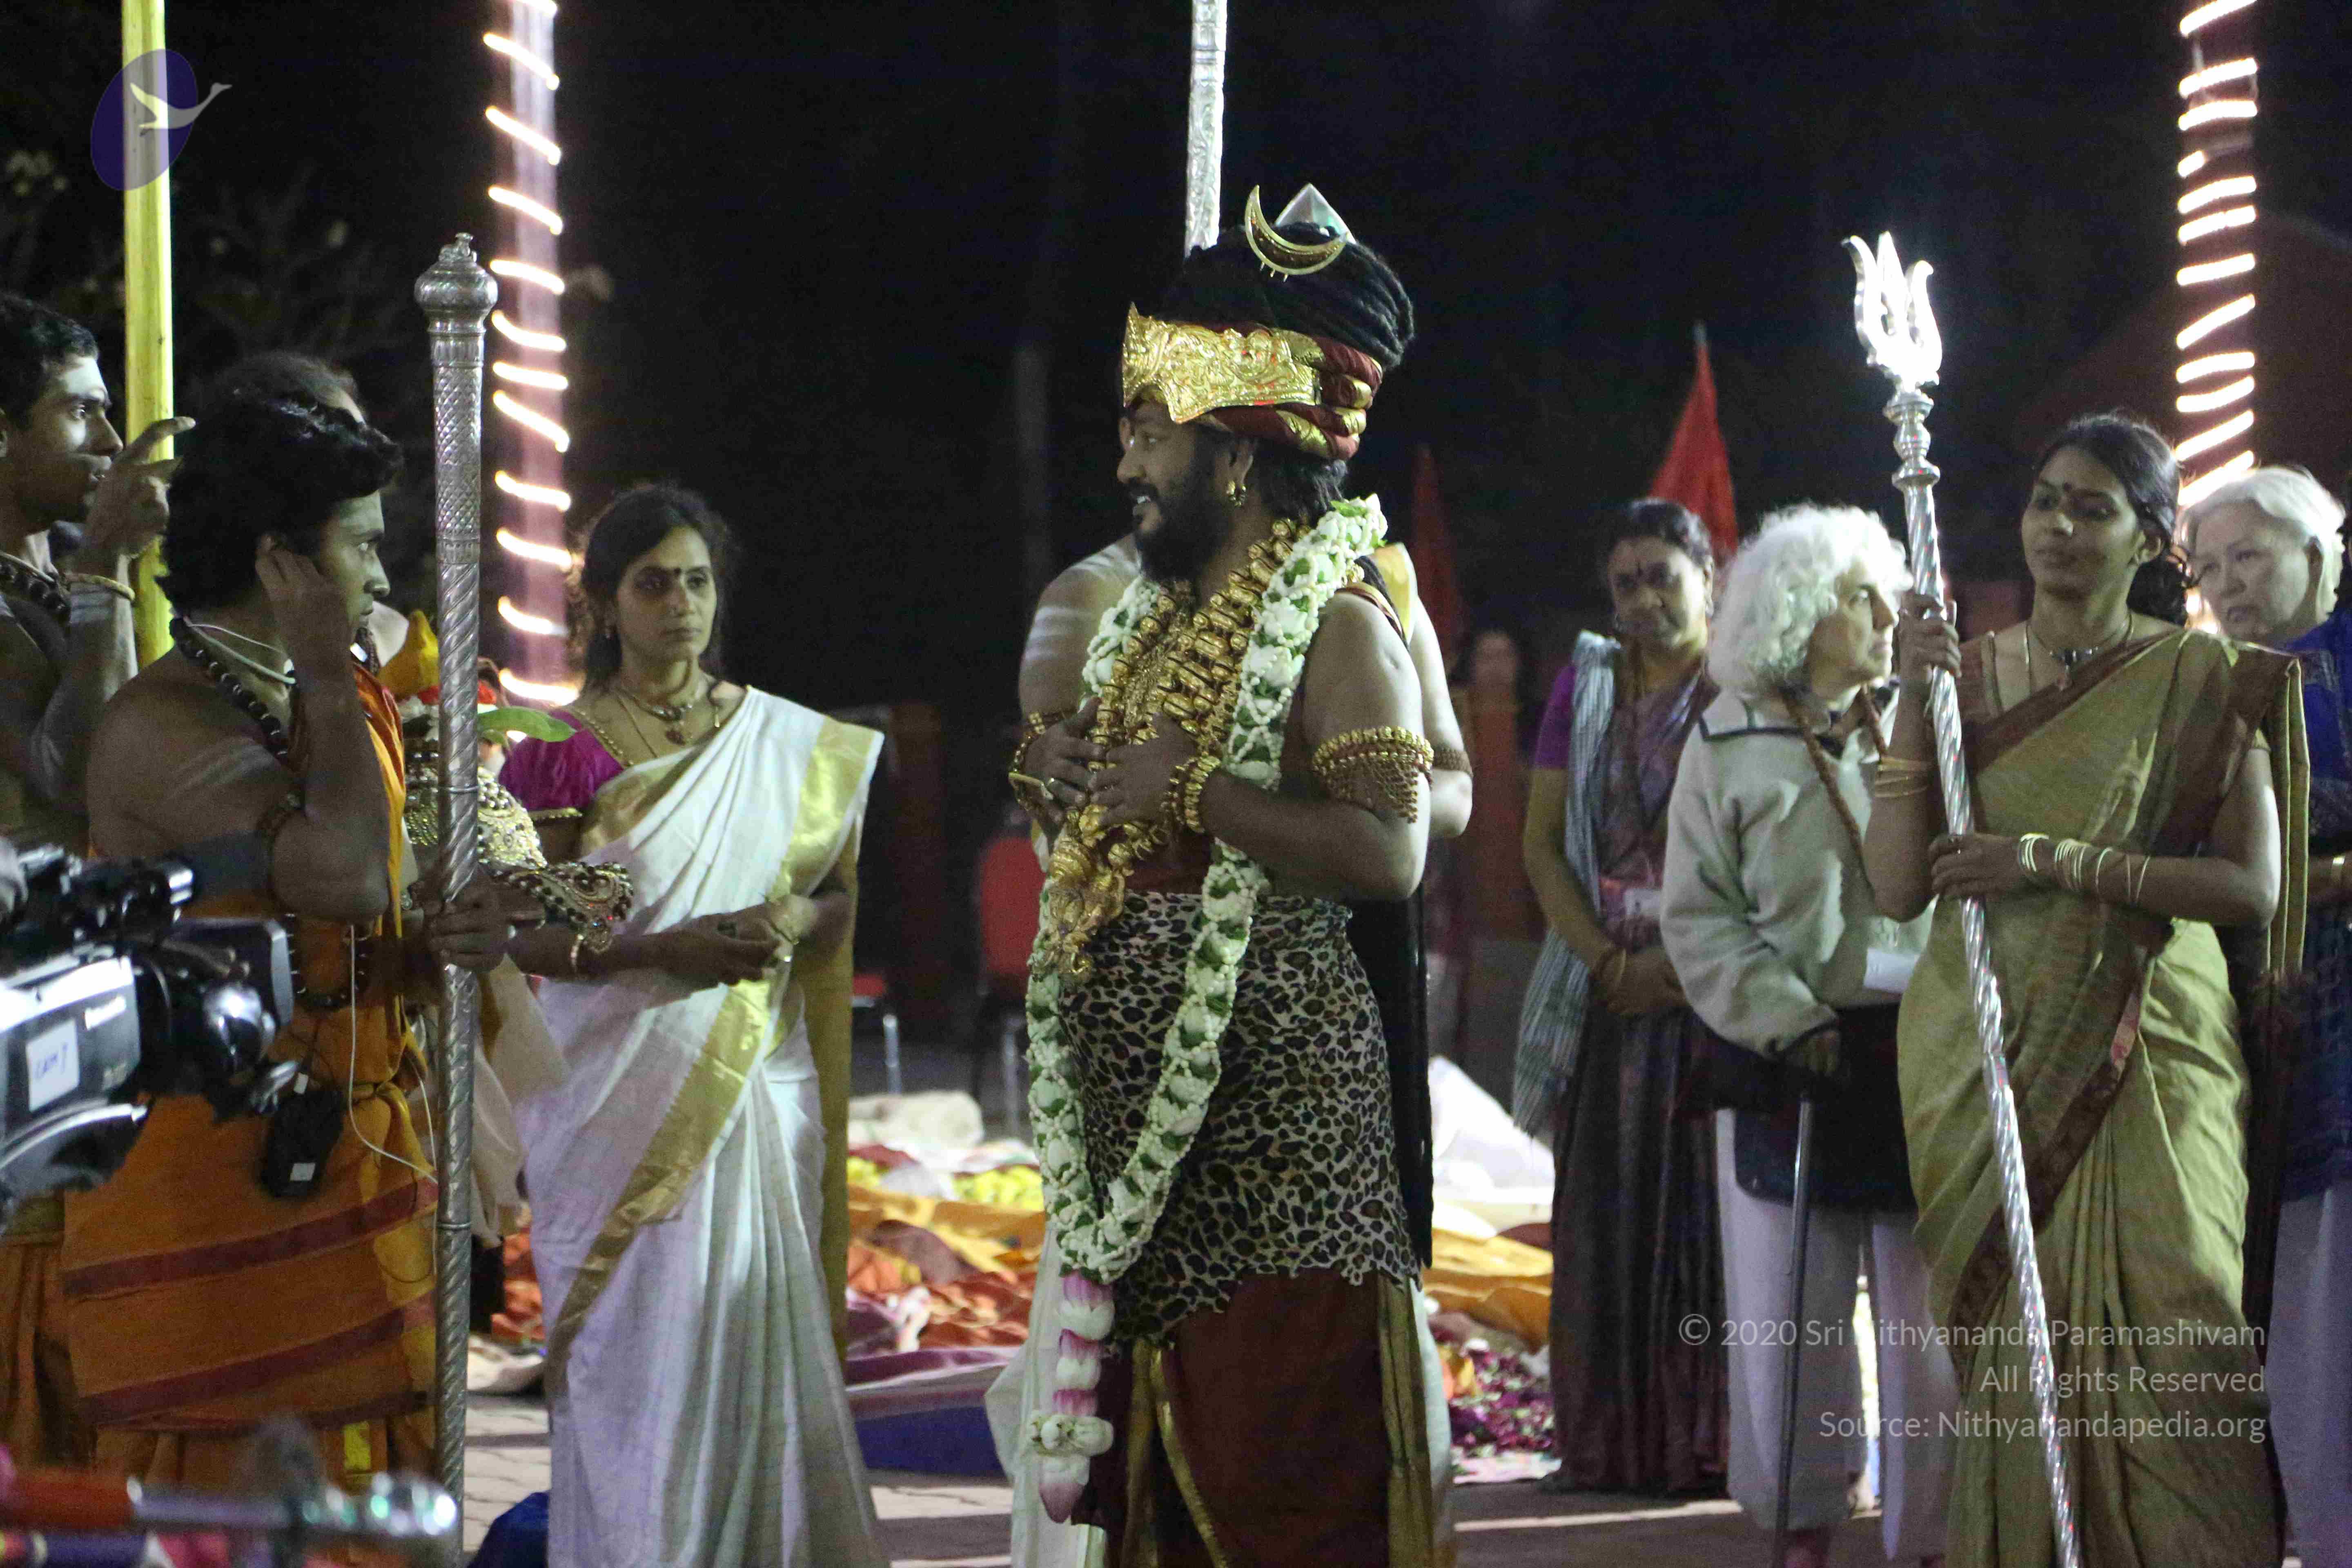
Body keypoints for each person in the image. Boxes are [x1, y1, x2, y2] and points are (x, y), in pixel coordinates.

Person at [1011, 188, 1438, 1564]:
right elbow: (1123, 823)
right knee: (1161, 1505)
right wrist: (1061, 777)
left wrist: (1203, 793)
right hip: (1148, 1164)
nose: (1127, 461)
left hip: (1281, 1163)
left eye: (1152, 431)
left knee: (1280, 1493)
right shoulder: (1154, 619)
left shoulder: (1340, 623)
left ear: (1239, 457)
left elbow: (1392, 850)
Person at [1866, 413, 2301, 1567]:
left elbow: (2251, 887)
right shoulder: (1960, 674)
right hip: (1987, 1043)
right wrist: (1911, 694)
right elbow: (1897, 885)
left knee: (2185, 1312)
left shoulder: (2202, 678)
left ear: (2152, 541)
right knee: (2021, 1347)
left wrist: (2049, 861)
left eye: (2094, 507)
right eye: (2045, 499)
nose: (2059, 525)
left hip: (2153, 1040)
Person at [65, 395, 508, 1498]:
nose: (381, 579)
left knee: (382, 1494)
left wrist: (436, 941)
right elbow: (344, 877)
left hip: (353, 1149)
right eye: (361, 546)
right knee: (244, 1511)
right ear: (282, 565)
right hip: (220, 1189)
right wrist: (323, 671)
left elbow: (364, 919)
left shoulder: (323, 698)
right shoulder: (163, 723)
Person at [495, 483, 886, 1568]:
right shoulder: (556, 751)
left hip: (751, 1079)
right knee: (632, 1357)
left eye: (698, 582)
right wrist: (661, 951)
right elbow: (516, 933)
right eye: (654, 584)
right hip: (609, 1095)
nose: (681, 605)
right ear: (605, 603)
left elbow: (835, 896)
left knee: (744, 1327)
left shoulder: (782, 740)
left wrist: (795, 916)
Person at [1662, 506, 1952, 1567]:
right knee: (1789, 1324)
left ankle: (1930, 1536)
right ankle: (1802, 1524)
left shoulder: (1922, 722)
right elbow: (1698, 915)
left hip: (1920, 1053)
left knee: (1928, 1330)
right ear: (1798, 611)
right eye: (1861, 598)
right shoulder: (1726, 737)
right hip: (1790, 1056)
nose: (1887, 615)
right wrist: (1788, 1020)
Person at [1514, 497, 1728, 1494]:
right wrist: (1609, 964)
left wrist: (1683, 967)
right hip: (1607, 992)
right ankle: (1607, 1448)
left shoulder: (1746, 685)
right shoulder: (1586, 686)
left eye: (1662, 577)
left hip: (1718, 992)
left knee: (1705, 1226)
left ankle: (1705, 1447)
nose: (1643, 600)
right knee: (1603, 1223)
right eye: (1625, 584)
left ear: (1708, 578)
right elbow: (1541, 846)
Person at [2183, 464, 2352, 1568]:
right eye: (2209, 567)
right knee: (2292, 1295)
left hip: (2339, 1020)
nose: (2227, 584)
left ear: (2319, 553)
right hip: (2252, 1027)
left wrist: (2318, 872)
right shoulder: (2210, 685)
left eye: (2249, 556)